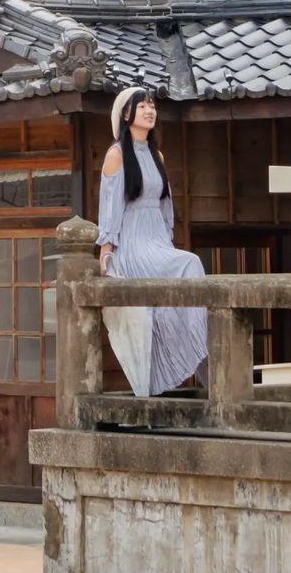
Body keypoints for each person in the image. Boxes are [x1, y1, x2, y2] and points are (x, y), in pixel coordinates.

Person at [97, 85, 208, 395]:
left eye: (152, 106)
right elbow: (110, 205)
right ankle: (185, 356)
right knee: (190, 263)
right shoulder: (116, 154)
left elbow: (164, 204)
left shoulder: (157, 154)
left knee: (185, 270)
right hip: (133, 244)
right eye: (142, 106)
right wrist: (106, 251)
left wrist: (166, 241)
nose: (150, 111)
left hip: (156, 239)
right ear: (126, 114)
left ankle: (198, 345)